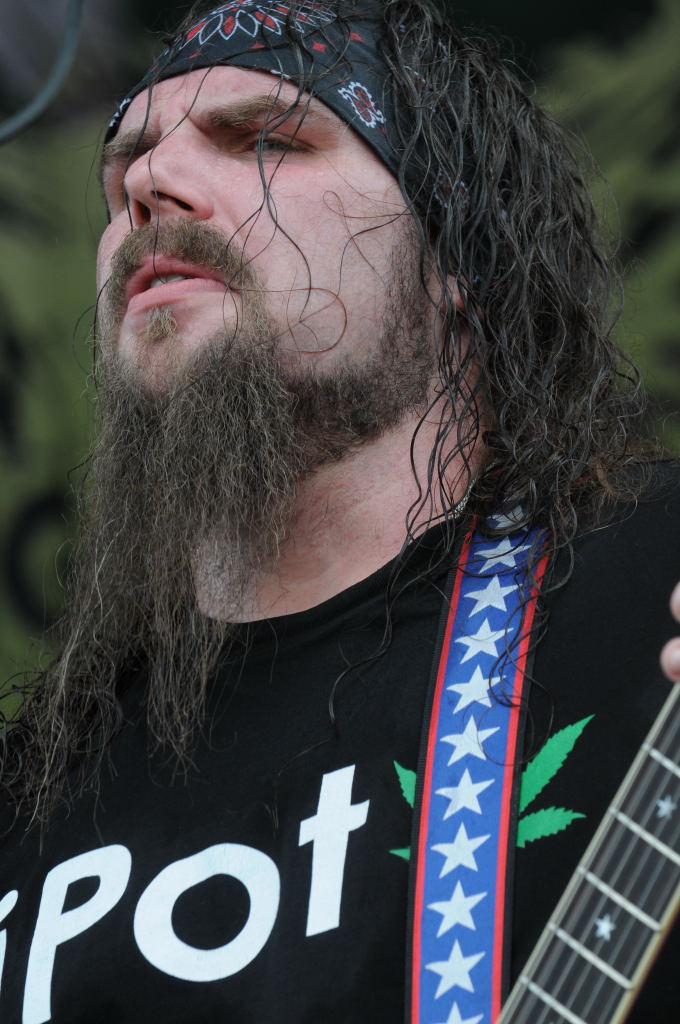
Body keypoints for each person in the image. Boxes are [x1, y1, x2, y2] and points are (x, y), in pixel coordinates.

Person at [0, 2, 678, 1021]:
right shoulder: (29, 789)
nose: (147, 181)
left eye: (264, 139)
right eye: (126, 165)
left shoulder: (650, 591)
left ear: (461, 258)